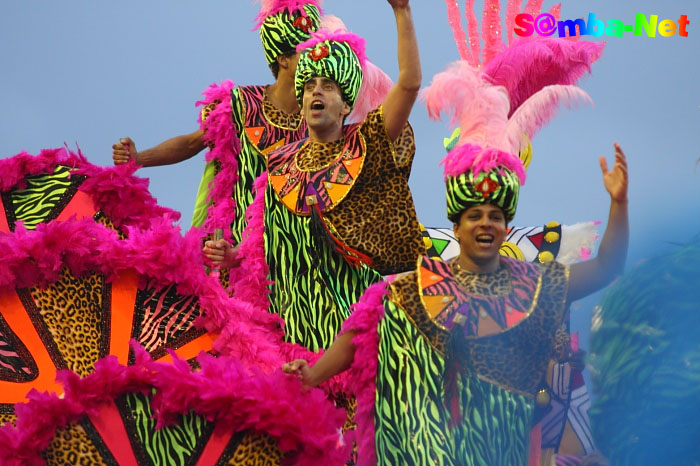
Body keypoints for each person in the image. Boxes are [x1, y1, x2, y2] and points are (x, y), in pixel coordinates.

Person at [283, 139, 628, 465]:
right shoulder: (415, 290)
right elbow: (359, 335)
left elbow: (606, 267)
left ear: (506, 228)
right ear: (457, 227)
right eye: (474, 215)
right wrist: (313, 374)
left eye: (495, 216)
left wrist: (618, 203)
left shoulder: (534, 286)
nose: (486, 223)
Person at [205, 0, 425, 353]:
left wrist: (402, 12)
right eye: (309, 87)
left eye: (327, 86)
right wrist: (234, 257)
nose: (315, 92)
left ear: (345, 103)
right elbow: (265, 245)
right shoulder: (278, 164)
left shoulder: (366, 143)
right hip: (291, 338)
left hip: (354, 335)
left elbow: (410, 85)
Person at [112, 0, 322, 239]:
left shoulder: (320, 121)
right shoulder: (241, 104)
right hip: (229, 249)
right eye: (309, 51)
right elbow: (192, 144)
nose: (317, 58)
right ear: (284, 59)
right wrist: (139, 158)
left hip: (292, 254)